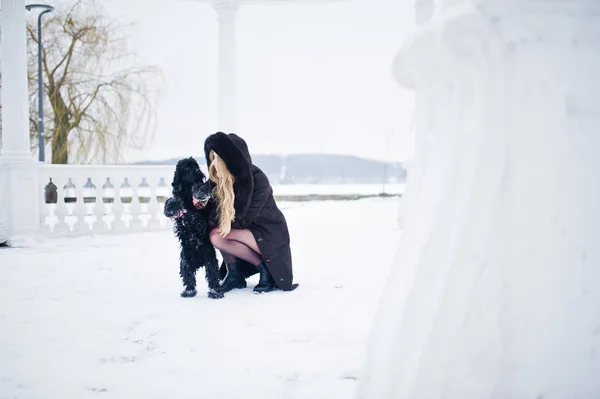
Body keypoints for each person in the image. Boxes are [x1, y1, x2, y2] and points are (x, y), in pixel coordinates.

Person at [203, 132, 298, 293]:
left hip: (268, 234)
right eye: (212, 159)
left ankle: (266, 271)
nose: (213, 165)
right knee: (214, 235)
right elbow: (208, 213)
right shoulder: (218, 181)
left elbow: (244, 219)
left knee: (220, 230)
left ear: (231, 160)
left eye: (218, 160)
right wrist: (199, 203)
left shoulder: (258, 179)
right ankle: (235, 274)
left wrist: (217, 218)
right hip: (242, 231)